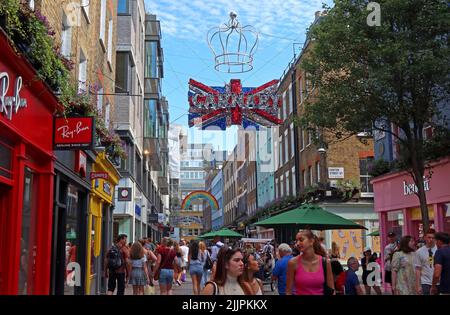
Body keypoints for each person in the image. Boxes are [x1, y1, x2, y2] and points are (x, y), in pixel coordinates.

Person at [286, 230, 335, 295]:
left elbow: (332, 290)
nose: (297, 244)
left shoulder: (325, 262)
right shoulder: (293, 263)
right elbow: (288, 292)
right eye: (296, 241)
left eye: (301, 240)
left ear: (311, 241)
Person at [415, 229, 437, 295]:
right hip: (425, 282)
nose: (431, 240)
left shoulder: (439, 250)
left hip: (438, 282)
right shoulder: (419, 252)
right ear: (425, 238)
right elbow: (418, 269)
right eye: (429, 237)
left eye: (433, 238)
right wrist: (418, 285)